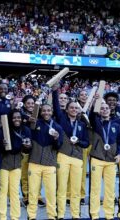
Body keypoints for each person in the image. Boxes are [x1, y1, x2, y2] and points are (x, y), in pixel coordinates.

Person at [52, 86, 89, 219]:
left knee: (76, 189)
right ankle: (60, 214)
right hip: (63, 156)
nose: (74, 109)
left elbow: (86, 143)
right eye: (71, 107)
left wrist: (78, 141)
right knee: (61, 187)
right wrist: (55, 90)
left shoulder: (82, 125)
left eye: (76, 108)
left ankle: (75, 215)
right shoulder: (61, 119)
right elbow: (56, 106)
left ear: (78, 110)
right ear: (67, 110)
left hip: (78, 158)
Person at [27, 104, 63, 220]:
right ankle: (31, 216)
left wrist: (57, 139)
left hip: (50, 164)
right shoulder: (35, 123)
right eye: (44, 111)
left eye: (48, 110)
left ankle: (52, 216)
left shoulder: (58, 127)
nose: (46, 112)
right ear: (40, 112)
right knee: (33, 192)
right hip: (34, 162)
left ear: (52, 111)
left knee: (51, 192)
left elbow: (59, 147)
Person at [89, 101, 120, 220]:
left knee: (110, 190)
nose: (104, 110)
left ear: (110, 110)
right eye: (102, 108)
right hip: (97, 159)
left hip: (111, 160)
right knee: (95, 189)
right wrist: (96, 103)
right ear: (99, 111)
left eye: (106, 108)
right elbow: (92, 115)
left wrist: (119, 153)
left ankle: (109, 215)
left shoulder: (116, 126)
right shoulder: (96, 123)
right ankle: (94, 215)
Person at [0, 109, 31, 220]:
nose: (17, 119)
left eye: (19, 117)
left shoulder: (26, 130)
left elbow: (27, 150)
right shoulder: (4, 130)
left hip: (17, 164)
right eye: (14, 117)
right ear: (11, 119)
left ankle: (15, 217)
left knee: (15, 191)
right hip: (4, 164)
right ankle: (2, 216)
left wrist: (28, 147)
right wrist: (2, 145)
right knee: (3, 190)